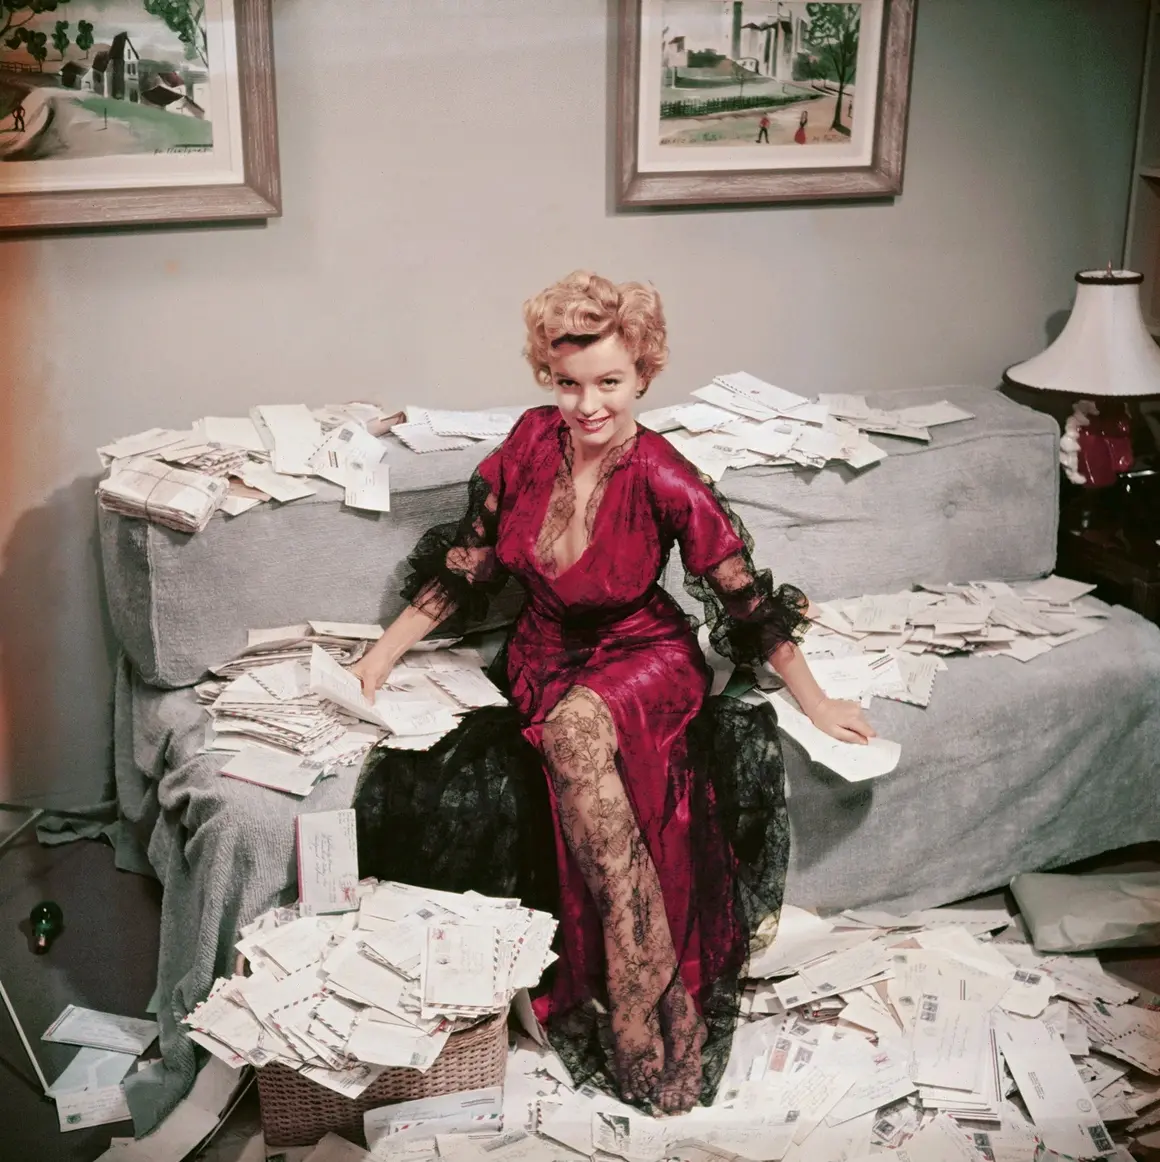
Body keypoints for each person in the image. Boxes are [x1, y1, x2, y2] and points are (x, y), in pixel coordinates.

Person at [350, 272, 874, 1115]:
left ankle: (641, 997)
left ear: (644, 374)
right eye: (568, 383)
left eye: (609, 383)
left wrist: (816, 704)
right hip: (542, 658)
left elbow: (745, 603)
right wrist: (377, 661)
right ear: (547, 376)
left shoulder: (667, 476)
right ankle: (638, 988)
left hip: (643, 656)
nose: (588, 405)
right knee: (537, 741)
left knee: (577, 733)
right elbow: (468, 568)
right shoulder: (527, 444)